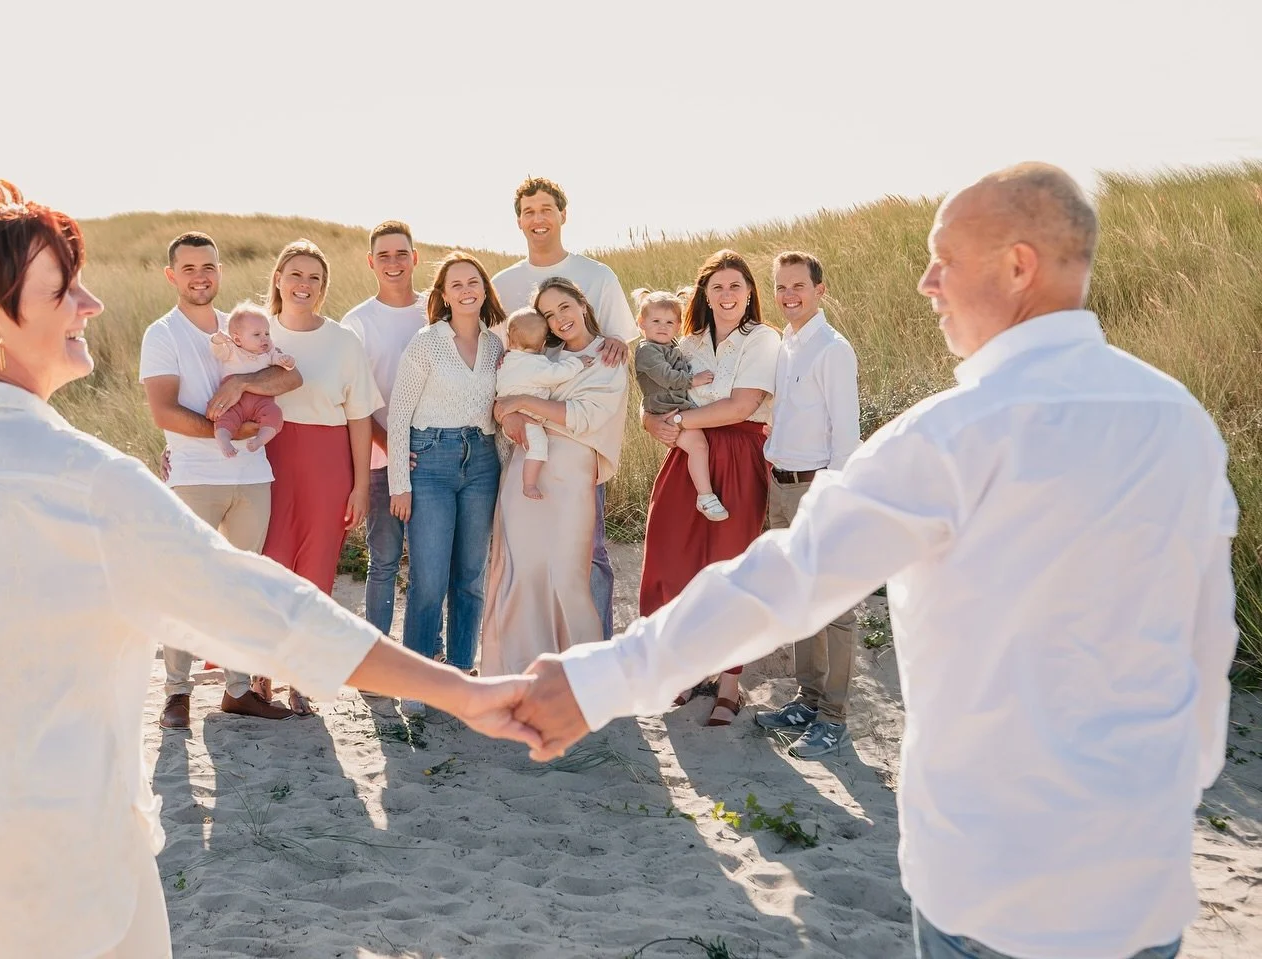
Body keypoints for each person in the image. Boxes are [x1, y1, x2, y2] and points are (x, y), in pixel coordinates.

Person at [514, 163, 1238, 959]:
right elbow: (1209, 640)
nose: (926, 282)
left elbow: (784, 580)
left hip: (994, 891)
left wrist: (597, 679)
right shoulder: (1182, 421)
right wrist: (1171, 789)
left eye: (944, 257)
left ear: (1019, 265)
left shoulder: (955, 433)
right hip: (1145, 889)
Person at [0, 173, 542, 959]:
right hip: (59, 897)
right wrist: (463, 690)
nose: (91, 304)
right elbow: (267, 612)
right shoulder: (82, 482)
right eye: (63, 288)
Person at [139, 232, 293, 725]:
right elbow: (164, 412)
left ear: (219, 271)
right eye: (188, 269)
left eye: (208, 266)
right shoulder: (162, 333)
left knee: (242, 585)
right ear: (171, 276)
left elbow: (290, 377)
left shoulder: (244, 325)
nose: (199, 276)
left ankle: (238, 689)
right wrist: (235, 428)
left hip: (252, 478)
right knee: (186, 584)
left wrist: (241, 381)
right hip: (193, 477)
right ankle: (177, 693)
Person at [637, 251, 781, 726]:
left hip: (739, 455)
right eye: (716, 287)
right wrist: (649, 419)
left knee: (728, 562)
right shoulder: (688, 341)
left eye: (735, 286)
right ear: (704, 293)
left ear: (749, 293)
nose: (726, 295)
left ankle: (729, 682)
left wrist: (676, 419)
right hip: (690, 454)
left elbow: (742, 406)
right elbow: (656, 395)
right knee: (670, 554)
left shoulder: (763, 339)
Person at [490, 176, 633, 641]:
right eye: (529, 211)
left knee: (586, 552)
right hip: (524, 443)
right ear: (518, 221)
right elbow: (498, 361)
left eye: (546, 208)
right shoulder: (505, 284)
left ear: (563, 214)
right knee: (525, 552)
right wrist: (506, 412)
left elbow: (617, 345)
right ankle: (537, 650)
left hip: (578, 445)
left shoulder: (598, 275)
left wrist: (616, 347)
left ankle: (598, 655)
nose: (538, 218)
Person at [251, 239, 383, 717]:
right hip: (266, 459)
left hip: (328, 462)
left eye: (314, 278)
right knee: (271, 563)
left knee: (316, 568)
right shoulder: (253, 331)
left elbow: (359, 418)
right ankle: (259, 672)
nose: (303, 285)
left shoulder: (344, 340)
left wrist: (362, 484)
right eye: (296, 275)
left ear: (323, 288)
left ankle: (302, 677)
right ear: (279, 280)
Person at [481, 277, 629, 675]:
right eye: (548, 314)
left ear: (582, 303)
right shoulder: (541, 358)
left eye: (564, 306)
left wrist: (523, 403)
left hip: (570, 477)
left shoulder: (609, 356)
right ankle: (513, 670)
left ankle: (580, 674)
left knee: (567, 574)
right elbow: (499, 403)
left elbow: (586, 418)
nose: (559, 318)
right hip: (524, 469)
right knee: (518, 566)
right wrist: (508, 410)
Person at [385, 252, 507, 716]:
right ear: (442, 295)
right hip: (430, 462)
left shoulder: (498, 346)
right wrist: (401, 482)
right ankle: (417, 679)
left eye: (472, 281)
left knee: (471, 576)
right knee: (429, 578)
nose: (465, 290)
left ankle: (459, 673)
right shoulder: (427, 342)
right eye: (455, 284)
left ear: (483, 288)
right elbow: (399, 414)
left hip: (482, 463)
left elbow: (503, 411)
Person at [752, 251, 862, 759]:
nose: (789, 295)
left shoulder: (832, 349)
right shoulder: (786, 345)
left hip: (817, 487)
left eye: (798, 285)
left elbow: (846, 434)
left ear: (821, 289)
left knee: (835, 607)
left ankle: (834, 719)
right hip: (780, 485)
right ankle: (808, 699)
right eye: (781, 287)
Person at [340, 221, 428, 636]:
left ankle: (430, 652)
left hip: (432, 456)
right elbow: (355, 400)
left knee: (431, 563)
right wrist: (391, 448)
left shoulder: (436, 309)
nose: (393, 263)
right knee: (385, 560)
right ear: (371, 262)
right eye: (384, 256)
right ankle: (374, 654)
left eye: (401, 254)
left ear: (415, 258)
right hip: (379, 458)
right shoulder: (356, 322)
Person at [630, 287, 726, 520]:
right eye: (655, 321)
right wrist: (693, 380)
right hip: (666, 407)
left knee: (700, 447)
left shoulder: (671, 345)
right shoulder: (647, 351)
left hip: (677, 404)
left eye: (670, 322)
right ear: (641, 323)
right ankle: (705, 496)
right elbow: (665, 376)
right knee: (698, 447)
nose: (663, 326)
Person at [496, 307, 594, 500]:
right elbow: (559, 373)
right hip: (527, 420)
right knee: (539, 446)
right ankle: (529, 484)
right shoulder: (538, 366)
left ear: (509, 339)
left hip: (507, 419)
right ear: (542, 344)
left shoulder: (506, 361)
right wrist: (579, 363)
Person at [208, 300, 294, 456]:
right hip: (234, 400)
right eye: (257, 334)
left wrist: (286, 361)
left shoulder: (270, 352)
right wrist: (217, 340)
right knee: (224, 419)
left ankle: (259, 440)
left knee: (275, 414)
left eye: (267, 333)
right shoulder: (232, 350)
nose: (264, 338)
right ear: (238, 339)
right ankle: (224, 442)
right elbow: (218, 352)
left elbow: (280, 362)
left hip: (262, 399)